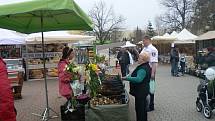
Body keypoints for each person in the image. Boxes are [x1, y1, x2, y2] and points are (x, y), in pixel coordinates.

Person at [122, 51, 151, 121]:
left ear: (143, 60)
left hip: (141, 92)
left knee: (140, 110)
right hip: (143, 91)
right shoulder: (145, 66)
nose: (138, 59)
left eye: (139, 58)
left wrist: (126, 78)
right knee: (143, 109)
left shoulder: (143, 68)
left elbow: (138, 79)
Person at [141, 35, 158, 112]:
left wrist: (152, 74)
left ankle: (151, 106)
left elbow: (154, 63)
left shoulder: (153, 49)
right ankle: (146, 104)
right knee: (145, 88)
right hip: (144, 70)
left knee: (151, 89)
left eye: (144, 41)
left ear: (148, 40)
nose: (143, 42)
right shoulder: (144, 48)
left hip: (150, 71)